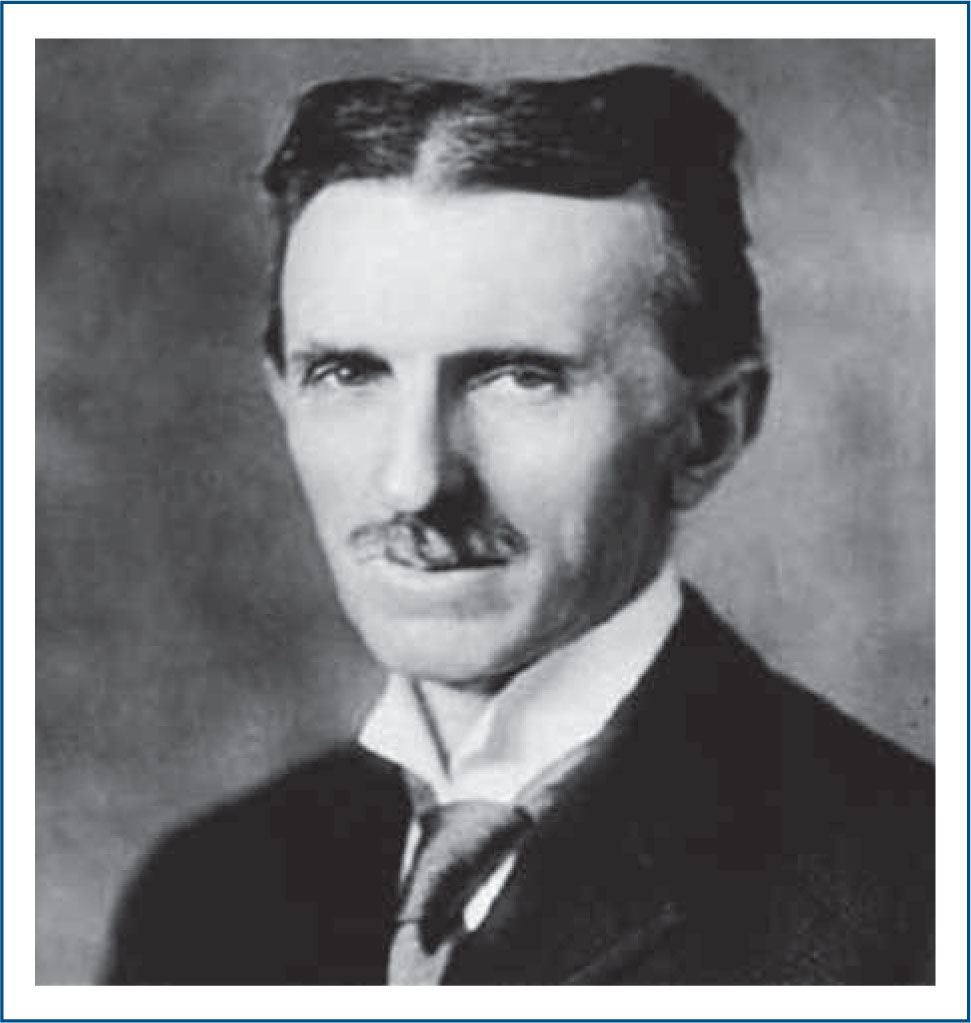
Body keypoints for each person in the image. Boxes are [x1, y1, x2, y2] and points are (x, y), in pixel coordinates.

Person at [104, 64, 933, 985]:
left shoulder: (910, 897)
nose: (414, 482)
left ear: (707, 431)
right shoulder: (205, 893)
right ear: (282, 394)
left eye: (519, 378)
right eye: (348, 374)